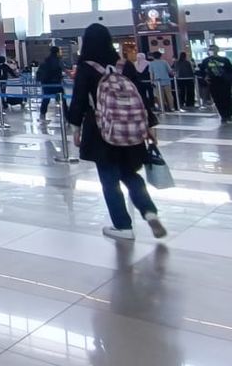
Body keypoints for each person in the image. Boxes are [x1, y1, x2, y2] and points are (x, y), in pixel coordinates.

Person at [68, 23, 166, 241]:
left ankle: (123, 226)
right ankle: (149, 212)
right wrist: (149, 125)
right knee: (130, 173)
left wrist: (75, 128)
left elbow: (79, 101)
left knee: (109, 178)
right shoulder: (124, 65)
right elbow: (141, 95)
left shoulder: (86, 67)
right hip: (131, 129)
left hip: (101, 129)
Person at [198, 45, 232, 123]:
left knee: (227, 99)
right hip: (213, 83)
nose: (212, 51)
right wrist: (205, 78)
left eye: (213, 49)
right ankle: (223, 115)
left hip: (225, 83)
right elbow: (201, 72)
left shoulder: (224, 60)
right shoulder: (206, 61)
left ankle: (229, 115)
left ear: (217, 50)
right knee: (217, 100)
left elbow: (231, 70)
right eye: (210, 49)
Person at [36, 46, 66, 124]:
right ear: (57, 52)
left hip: (46, 84)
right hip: (56, 84)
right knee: (62, 100)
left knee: (46, 100)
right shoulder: (58, 61)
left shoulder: (46, 60)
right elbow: (63, 70)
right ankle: (66, 117)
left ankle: (42, 116)